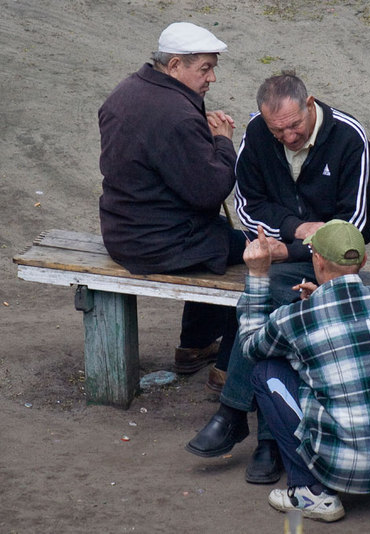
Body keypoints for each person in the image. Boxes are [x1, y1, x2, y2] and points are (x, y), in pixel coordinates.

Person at [188, 71, 370, 485]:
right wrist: (296, 228)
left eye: (294, 126)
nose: (288, 137)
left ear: (310, 104)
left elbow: (356, 224)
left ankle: (239, 415)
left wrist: (290, 246)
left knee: (274, 294)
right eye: (278, 130)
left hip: (339, 258)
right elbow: (249, 206)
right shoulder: (257, 133)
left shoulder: (349, 136)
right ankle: (267, 439)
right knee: (280, 294)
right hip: (285, 249)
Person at [239, 220, 370, 522]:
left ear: (316, 258)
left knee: (266, 372)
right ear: (364, 260)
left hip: (345, 466)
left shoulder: (297, 318)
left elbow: (251, 345)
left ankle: (310, 491)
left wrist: (257, 274)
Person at [98, 22, 250, 389]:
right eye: (205, 68)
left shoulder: (125, 92)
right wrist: (223, 142)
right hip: (158, 243)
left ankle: (195, 346)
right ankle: (228, 368)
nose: (212, 77)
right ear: (175, 65)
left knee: (220, 238)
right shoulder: (176, 115)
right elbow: (210, 190)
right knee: (258, 256)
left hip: (121, 231)